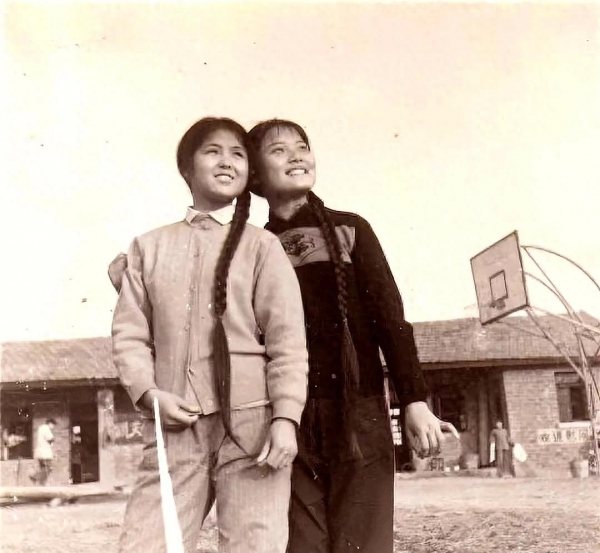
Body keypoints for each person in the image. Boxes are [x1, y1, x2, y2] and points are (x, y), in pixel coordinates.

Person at [247, 119, 454, 553]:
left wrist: (414, 400)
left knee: (364, 542)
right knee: (302, 544)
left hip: (359, 411)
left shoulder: (351, 229)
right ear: (255, 176)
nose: (297, 156)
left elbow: (390, 319)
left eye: (302, 146)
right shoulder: (253, 247)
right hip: (286, 417)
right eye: (279, 150)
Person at [110, 117, 309, 553]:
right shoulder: (148, 247)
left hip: (253, 427)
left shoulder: (263, 246)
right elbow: (129, 335)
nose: (226, 162)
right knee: (147, 544)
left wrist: (285, 419)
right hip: (175, 421)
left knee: (255, 546)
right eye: (212, 151)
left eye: (237, 154)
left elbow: (288, 343)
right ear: (186, 167)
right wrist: (149, 394)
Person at [30, 418, 56, 486]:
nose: (53, 427)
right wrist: (53, 440)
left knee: (43, 468)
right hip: (45, 453)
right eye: (53, 425)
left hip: (40, 452)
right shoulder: (46, 428)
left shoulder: (40, 428)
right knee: (48, 468)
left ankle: (42, 483)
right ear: (50, 423)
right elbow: (50, 438)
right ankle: (35, 476)